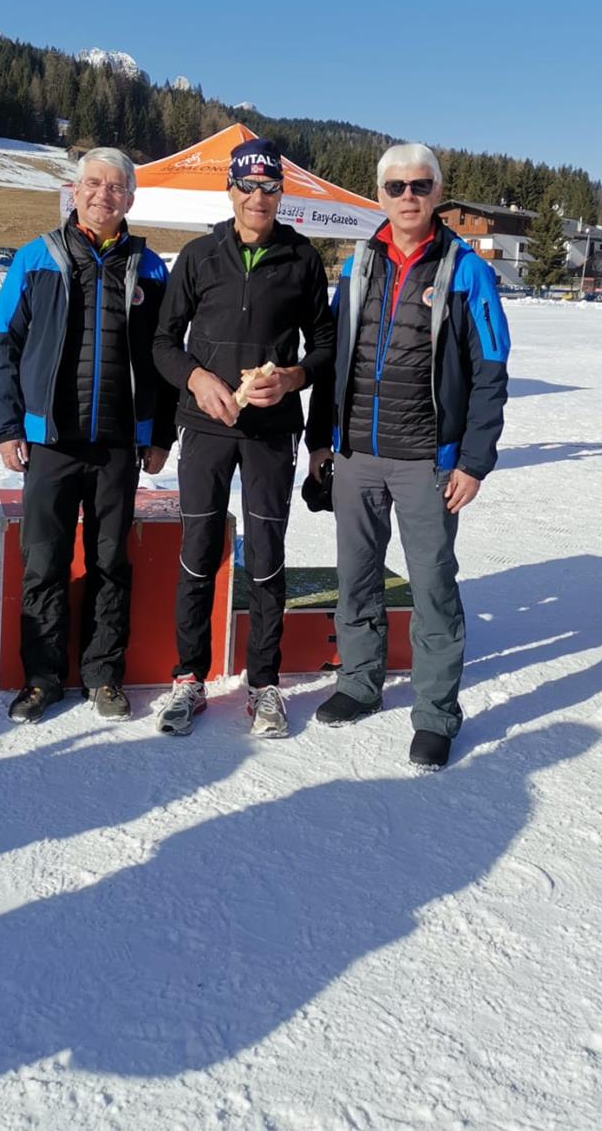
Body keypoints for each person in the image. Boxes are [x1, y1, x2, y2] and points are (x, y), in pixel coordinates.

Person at [308, 142, 510, 769]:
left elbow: (491, 370)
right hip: (357, 456)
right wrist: (321, 440)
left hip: (428, 462)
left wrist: (473, 461)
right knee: (356, 578)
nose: (407, 196)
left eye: (420, 185)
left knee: (432, 586)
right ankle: (359, 683)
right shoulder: (358, 265)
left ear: (437, 192)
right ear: (380, 194)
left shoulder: (466, 270)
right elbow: (335, 359)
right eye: (395, 186)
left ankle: (436, 713)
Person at [0, 147, 175, 723]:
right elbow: (4, 346)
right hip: (50, 440)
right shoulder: (34, 258)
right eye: (93, 183)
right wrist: (7, 426)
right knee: (43, 561)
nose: (102, 195)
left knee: (110, 562)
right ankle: (42, 679)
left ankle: (103, 676)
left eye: (115, 187)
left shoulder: (150, 268)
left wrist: (160, 434)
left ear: (130, 198)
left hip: (118, 443)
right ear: (75, 190)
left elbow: (165, 357)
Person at [152, 136, 333, 738]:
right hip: (206, 425)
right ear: (229, 189)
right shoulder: (199, 256)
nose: (259, 197)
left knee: (266, 555)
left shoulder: (303, 259)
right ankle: (188, 678)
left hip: (270, 432)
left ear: (282, 193)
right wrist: (196, 377)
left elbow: (326, 345)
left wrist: (293, 377)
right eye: (249, 186)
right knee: (198, 549)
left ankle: (263, 684)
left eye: (270, 187)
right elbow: (163, 342)